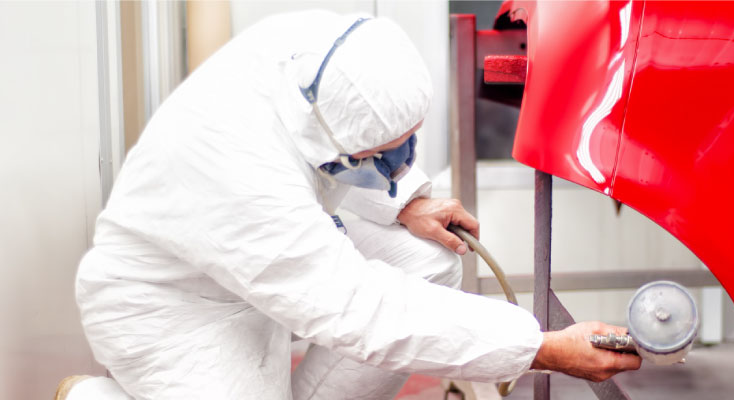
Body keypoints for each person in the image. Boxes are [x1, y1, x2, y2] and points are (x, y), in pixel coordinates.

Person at [74, 10, 641, 400]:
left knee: (428, 262)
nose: (399, 164)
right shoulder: (240, 172)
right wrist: (539, 348)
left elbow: (348, 132)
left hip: (253, 261)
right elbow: (360, 311)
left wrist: (405, 200)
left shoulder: (322, 56)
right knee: (367, 313)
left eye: (409, 144)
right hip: (172, 307)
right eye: (381, 158)